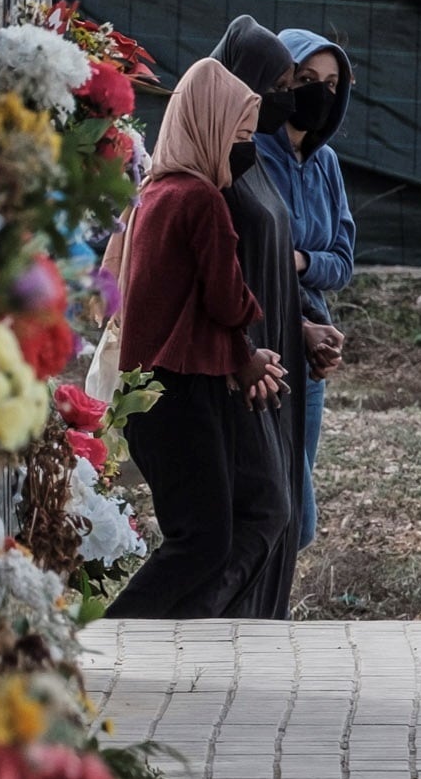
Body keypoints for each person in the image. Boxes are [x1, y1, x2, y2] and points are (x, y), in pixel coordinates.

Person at [104, 60, 291, 619]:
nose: (245, 149)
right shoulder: (199, 199)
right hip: (181, 391)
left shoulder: (154, 193)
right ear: (209, 128)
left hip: (153, 392)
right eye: (238, 136)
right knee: (202, 540)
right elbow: (227, 299)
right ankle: (107, 640)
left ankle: (150, 645)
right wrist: (253, 339)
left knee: (202, 535)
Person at [210, 15, 312, 618]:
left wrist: (301, 328)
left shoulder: (252, 161)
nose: (283, 101)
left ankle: (247, 633)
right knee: (262, 509)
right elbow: (219, 276)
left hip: (273, 360)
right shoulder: (213, 174)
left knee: (279, 507)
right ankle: (199, 624)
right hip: (241, 370)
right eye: (271, 87)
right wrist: (242, 352)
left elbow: (270, 262)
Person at [257, 28, 354, 554]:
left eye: (333, 83)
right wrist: (285, 265)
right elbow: (246, 255)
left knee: (294, 505)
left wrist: (298, 259)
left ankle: (266, 623)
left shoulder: (328, 164)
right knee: (284, 510)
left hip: (313, 349)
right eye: (307, 79)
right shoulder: (249, 153)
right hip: (265, 337)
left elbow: (342, 262)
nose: (320, 92)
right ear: (282, 82)